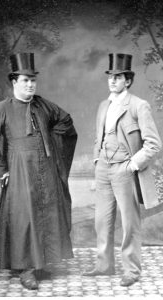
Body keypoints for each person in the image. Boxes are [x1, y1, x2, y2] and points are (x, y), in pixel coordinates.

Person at [0, 52, 77, 290]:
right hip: (20, 170)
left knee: (45, 214)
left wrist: (52, 143)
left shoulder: (43, 105)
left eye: (33, 80)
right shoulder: (3, 108)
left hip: (45, 169)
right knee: (25, 218)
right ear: (14, 82)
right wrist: (3, 170)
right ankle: (26, 269)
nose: (30, 84)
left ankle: (41, 263)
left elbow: (66, 122)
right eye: (25, 80)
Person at [83, 53, 162, 286]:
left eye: (117, 77)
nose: (112, 80)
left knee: (129, 223)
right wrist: (97, 160)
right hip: (104, 169)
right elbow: (99, 137)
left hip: (125, 171)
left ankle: (131, 271)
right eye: (110, 76)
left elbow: (154, 144)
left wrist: (132, 165)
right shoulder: (102, 106)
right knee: (102, 220)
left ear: (127, 80)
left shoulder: (139, 106)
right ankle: (104, 265)